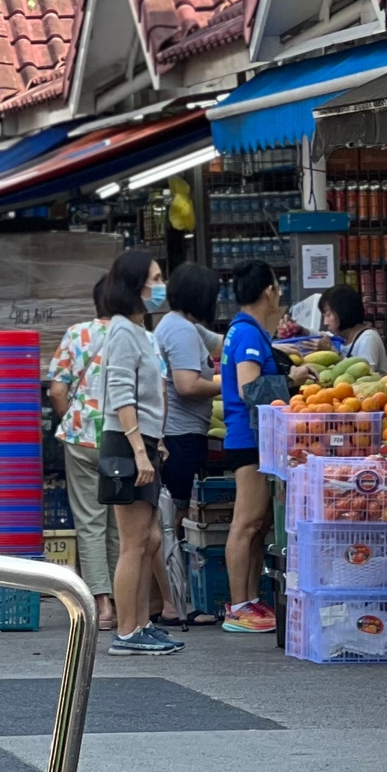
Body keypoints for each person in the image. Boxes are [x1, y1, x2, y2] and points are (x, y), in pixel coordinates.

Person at [101, 245, 180, 657]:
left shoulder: (138, 331)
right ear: (135, 285)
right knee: (134, 542)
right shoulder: (121, 331)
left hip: (142, 441)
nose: (161, 285)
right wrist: (139, 449)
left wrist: (154, 442)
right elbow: (121, 394)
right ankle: (127, 631)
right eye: (155, 279)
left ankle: (142, 624)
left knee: (149, 539)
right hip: (126, 443)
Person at [217, 260, 285, 634]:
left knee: (258, 523)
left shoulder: (246, 330)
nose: (279, 293)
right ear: (268, 291)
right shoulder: (246, 333)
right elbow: (249, 388)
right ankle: (239, 606)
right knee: (246, 523)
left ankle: (251, 599)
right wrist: (290, 382)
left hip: (255, 438)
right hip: (249, 438)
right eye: (277, 285)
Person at [156, 262, 223, 623]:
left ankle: (164, 603)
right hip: (180, 436)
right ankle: (175, 606)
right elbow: (186, 385)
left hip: (182, 433)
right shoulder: (181, 331)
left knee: (168, 520)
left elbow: (221, 343)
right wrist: (231, 384)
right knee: (172, 521)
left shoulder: (180, 325)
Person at [48, 277, 116, 633]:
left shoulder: (76, 334)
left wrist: (71, 422)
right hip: (124, 439)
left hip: (81, 438)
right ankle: (124, 601)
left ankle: (101, 605)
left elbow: (57, 391)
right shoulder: (138, 337)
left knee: (91, 522)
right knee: (121, 524)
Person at [319, 284, 387, 374]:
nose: (325, 322)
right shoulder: (341, 338)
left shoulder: (367, 338)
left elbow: (364, 374)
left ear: (343, 312)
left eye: (328, 315)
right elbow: (318, 335)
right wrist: (303, 330)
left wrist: (334, 353)